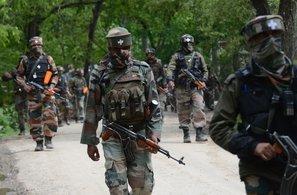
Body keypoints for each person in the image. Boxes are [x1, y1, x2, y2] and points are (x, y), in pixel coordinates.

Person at [209, 15, 297, 194]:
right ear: (252, 42)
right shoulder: (239, 82)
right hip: (260, 169)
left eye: (275, 34)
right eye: (264, 36)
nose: (272, 41)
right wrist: (252, 146)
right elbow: (218, 128)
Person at [80, 27, 162, 195]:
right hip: (113, 136)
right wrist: (90, 141)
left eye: (125, 48)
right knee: (117, 189)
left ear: (130, 47)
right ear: (109, 49)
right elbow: (92, 109)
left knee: (144, 189)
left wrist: (155, 133)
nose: (121, 53)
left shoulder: (143, 70)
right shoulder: (99, 74)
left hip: (139, 135)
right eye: (116, 49)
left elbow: (154, 105)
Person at [16, 36, 58, 151]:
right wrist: (25, 85)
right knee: (34, 117)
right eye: (34, 46)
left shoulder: (48, 59)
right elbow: (19, 76)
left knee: (50, 114)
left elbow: (55, 74)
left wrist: (52, 86)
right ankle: (38, 141)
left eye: (38, 45)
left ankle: (49, 139)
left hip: (47, 92)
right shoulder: (25, 61)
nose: (37, 47)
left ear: (42, 46)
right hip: (33, 94)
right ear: (31, 47)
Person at [167, 34, 208, 143]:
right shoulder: (176, 56)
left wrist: (203, 81)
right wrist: (170, 80)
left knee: (199, 107)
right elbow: (170, 69)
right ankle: (186, 134)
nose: (188, 45)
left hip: (196, 87)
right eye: (186, 43)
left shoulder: (198, 56)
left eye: (190, 43)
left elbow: (205, 70)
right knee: (183, 110)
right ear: (182, 44)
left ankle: (199, 133)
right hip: (181, 87)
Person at [1, 65, 27, 136]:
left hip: (26, 92)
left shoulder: (26, 70)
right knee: (20, 112)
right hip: (19, 93)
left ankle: (31, 128)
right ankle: (22, 130)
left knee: (27, 111)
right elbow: (7, 77)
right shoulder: (15, 71)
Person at [145, 48, 167, 119]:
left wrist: (164, 86)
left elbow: (163, 75)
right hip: (148, 88)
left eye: (151, 54)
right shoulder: (144, 64)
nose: (150, 56)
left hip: (159, 88)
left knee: (160, 107)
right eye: (148, 54)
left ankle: (160, 118)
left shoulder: (159, 63)